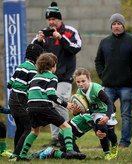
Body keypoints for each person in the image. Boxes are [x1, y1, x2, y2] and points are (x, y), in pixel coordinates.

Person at [32, 1, 82, 147]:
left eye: (54, 19)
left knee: (59, 103)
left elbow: (76, 47)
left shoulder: (70, 32)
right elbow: (33, 50)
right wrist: (39, 41)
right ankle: (57, 138)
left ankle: (66, 135)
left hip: (64, 76)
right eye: (49, 19)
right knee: (51, 105)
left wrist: (61, 38)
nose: (51, 22)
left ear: (59, 19)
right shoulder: (43, 33)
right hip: (47, 78)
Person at [16, 53, 81, 161]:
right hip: (44, 107)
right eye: (55, 65)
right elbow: (51, 94)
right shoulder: (52, 77)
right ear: (52, 66)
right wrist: (66, 104)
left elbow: (28, 93)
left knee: (34, 131)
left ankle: (21, 156)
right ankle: (70, 150)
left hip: (31, 107)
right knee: (67, 127)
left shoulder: (35, 77)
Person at [95, 13, 132, 148]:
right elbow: (98, 61)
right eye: (114, 24)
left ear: (123, 25)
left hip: (127, 86)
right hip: (108, 86)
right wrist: (103, 75)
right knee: (104, 113)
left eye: (119, 24)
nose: (116, 26)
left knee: (126, 114)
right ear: (111, 26)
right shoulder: (104, 42)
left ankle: (124, 142)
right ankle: (105, 141)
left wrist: (131, 76)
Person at [7, 44, 43, 161]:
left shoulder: (20, 66)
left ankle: (15, 154)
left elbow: (9, 84)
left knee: (20, 128)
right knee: (28, 128)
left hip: (12, 98)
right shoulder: (33, 70)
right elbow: (31, 88)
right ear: (38, 57)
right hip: (20, 99)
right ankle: (16, 156)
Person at [73, 68, 118, 160]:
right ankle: (107, 153)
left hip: (107, 110)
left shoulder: (96, 88)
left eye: (83, 81)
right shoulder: (78, 94)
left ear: (89, 80)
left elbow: (109, 102)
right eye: (78, 82)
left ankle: (114, 144)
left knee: (111, 134)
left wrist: (108, 116)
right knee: (102, 129)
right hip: (96, 113)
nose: (81, 84)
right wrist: (75, 112)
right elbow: (83, 112)